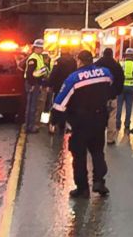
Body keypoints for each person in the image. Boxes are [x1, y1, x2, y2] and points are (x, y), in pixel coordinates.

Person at [52, 50, 113, 198]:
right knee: (98, 152)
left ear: (79, 61)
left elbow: (60, 103)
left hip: (80, 122)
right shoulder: (105, 73)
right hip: (99, 119)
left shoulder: (73, 78)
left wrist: (55, 120)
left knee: (79, 155)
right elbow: (111, 85)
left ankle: (82, 188)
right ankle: (99, 181)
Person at [94, 48, 125, 145]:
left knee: (97, 116)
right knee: (112, 117)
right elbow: (121, 79)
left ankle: (96, 137)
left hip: (98, 96)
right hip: (111, 95)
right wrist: (117, 92)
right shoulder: (116, 65)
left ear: (103, 54)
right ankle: (110, 139)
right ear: (112, 54)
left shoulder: (96, 64)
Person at [47, 47, 77, 135]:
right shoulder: (73, 61)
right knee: (68, 106)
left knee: (57, 106)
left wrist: (49, 84)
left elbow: (54, 74)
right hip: (70, 88)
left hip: (59, 87)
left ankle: (53, 124)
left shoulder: (59, 61)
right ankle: (63, 125)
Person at [23, 39, 49, 133]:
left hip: (36, 83)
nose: (42, 50)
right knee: (32, 106)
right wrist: (33, 84)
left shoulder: (39, 57)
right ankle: (29, 127)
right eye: (41, 48)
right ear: (36, 48)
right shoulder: (33, 58)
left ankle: (30, 125)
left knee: (33, 105)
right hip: (32, 84)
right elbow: (30, 73)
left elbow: (40, 71)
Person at [116, 48, 133, 131]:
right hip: (131, 87)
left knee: (119, 106)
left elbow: (118, 75)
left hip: (121, 87)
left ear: (126, 55)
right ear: (132, 55)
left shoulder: (121, 64)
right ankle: (127, 123)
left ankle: (118, 123)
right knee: (129, 106)